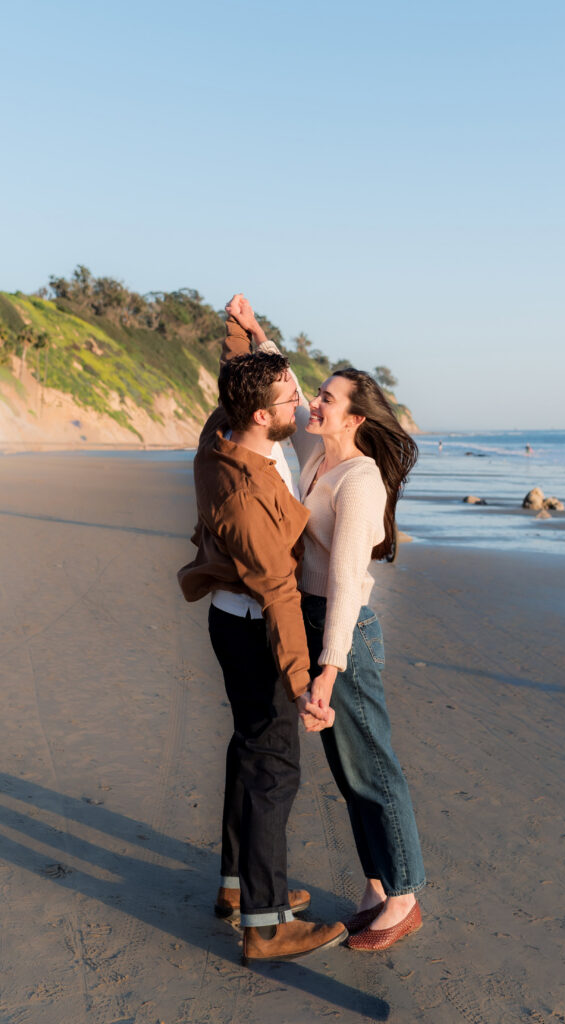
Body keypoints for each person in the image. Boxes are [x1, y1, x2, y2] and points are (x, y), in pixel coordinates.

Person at [225, 295, 426, 953]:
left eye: (328, 399)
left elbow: (344, 586)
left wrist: (328, 670)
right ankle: (376, 885)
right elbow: (284, 383)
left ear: (355, 418)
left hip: (344, 635)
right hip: (313, 624)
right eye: (316, 394)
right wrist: (258, 336)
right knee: (347, 771)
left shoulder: (359, 480)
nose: (314, 402)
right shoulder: (321, 456)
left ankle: (403, 897)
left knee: (372, 768)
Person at [177, 326, 346, 964]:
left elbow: (236, 384)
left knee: (249, 751)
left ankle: (236, 886)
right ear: (259, 415)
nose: (299, 405)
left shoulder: (219, 436)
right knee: (274, 768)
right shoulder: (248, 498)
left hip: (232, 620)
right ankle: (267, 924)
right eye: (288, 400)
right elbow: (278, 593)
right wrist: (303, 683)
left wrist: (244, 334)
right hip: (254, 628)